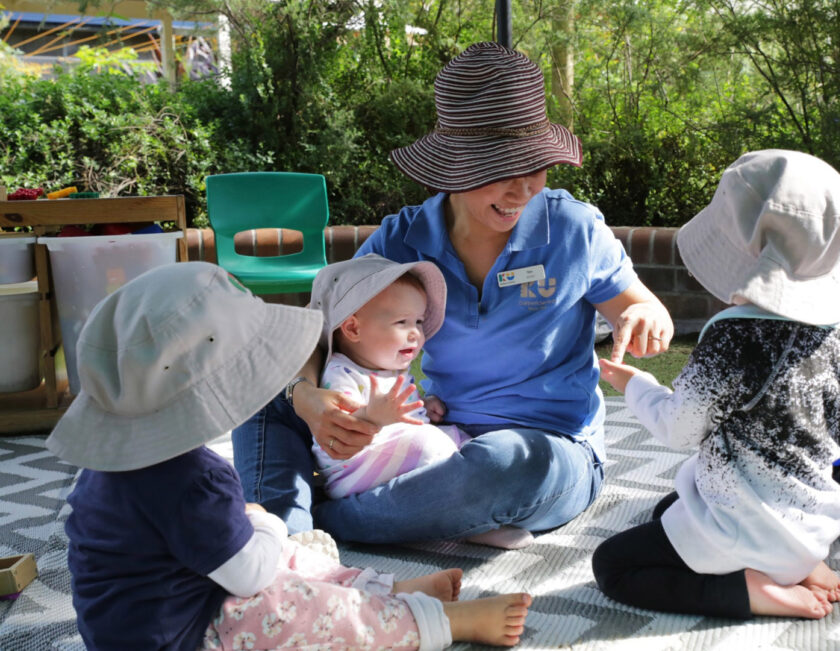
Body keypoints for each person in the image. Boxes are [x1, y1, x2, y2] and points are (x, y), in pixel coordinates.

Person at [231, 41, 675, 548]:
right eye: (500, 169)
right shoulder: (402, 239)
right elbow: (313, 329)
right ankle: (287, 538)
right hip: (433, 435)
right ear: (453, 165)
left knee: (509, 465)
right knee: (265, 382)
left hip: (551, 449)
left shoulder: (573, 229)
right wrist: (305, 396)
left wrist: (644, 317)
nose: (522, 188)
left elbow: (639, 304)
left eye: (535, 165)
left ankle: (312, 528)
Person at [46, 262, 532, 651]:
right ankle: (431, 623)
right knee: (291, 604)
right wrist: (266, 525)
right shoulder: (195, 480)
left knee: (289, 550)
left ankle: (384, 588)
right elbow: (249, 576)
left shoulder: (106, 470)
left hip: (130, 628)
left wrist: (257, 527)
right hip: (186, 634)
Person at [591, 149, 840, 620]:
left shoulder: (736, 336)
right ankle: (796, 563)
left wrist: (636, 384)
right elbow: (839, 432)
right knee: (668, 510)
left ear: (749, 250)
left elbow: (679, 430)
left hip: (748, 531)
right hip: (815, 523)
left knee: (613, 565)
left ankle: (755, 590)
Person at [309, 254, 468, 500]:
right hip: (354, 471)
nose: (416, 333)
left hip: (395, 461)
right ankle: (470, 518)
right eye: (402, 322)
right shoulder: (341, 373)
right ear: (353, 328)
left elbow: (401, 418)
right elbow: (339, 427)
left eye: (419, 321)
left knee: (461, 440)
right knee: (429, 444)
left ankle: (478, 502)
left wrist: (421, 406)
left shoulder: (392, 369)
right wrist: (371, 417)